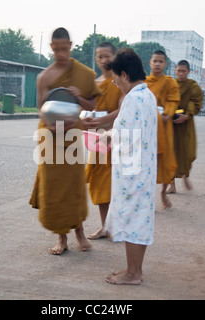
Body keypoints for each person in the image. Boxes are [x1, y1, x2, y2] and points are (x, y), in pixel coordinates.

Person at [29, 27, 101, 255]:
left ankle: (79, 232)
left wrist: (78, 95)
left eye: (65, 48)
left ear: (71, 45)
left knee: (74, 186)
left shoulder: (85, 73)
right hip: (50, 137)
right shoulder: (44, 77)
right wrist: (50, 125)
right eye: (57, 49)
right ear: (52, 48)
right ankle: (62, 238)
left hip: (72, 136)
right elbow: (41, 109)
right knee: (54, 189)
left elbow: (92, 105)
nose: (61, 53)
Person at [103, 48, 158, 285]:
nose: (117, 85)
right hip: (143, 168)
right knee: (141, 218)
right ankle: (134, 268)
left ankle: (133, 273)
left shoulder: (133, 99)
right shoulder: (148, 95)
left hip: (132, 171)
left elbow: (124, 136)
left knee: (132, 218)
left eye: (116, 80)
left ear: (124, 75)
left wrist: (106, 135)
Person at [83, 42, 123, 240]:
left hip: (115, 136)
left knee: (115, 183)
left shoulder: (120, 81)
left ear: (114, 57)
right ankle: (105, 226)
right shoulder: (96, 83)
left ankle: (116, 225)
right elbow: (88, 108)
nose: (103, 60)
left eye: (107, 56)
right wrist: (87, 119)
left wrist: (101, 120)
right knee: (99, 183)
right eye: (100, 56)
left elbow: (122, 110)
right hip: (96, 139)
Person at [145, 50, 180, 209]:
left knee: (166, 163)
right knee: (148, 165)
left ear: (165, 64)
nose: (158, 64)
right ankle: (149, 199)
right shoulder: (144, 82)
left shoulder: (169, 82)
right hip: (147, 128)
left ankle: (163, 192)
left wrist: (168, 113)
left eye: (161, 61)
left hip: (164, 127)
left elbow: (173, 100)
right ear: (150, 63)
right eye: (155, 61)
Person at [169, 60, 204, 193]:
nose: (181, 74)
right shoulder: (171, 84)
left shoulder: (192, 86)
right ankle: (171, 184)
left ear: (188, 71)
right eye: (178, 71)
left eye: (183, 71)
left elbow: (195, 101)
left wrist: (187, 114)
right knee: (171, 153)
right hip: (171, 124)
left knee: (188, 152)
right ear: (175, 71)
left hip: (186, 123)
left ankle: (185, 175)